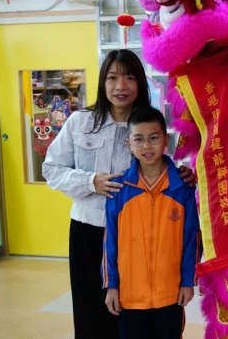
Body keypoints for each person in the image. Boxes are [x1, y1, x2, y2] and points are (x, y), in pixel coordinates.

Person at [43, 50, 195, 338]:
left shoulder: (147, 125)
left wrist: (186, 174)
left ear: (140, 83)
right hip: (88, 230)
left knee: (132, 316)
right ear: (103, 82)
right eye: (112, 78)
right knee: (91, 313)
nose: (120, 86)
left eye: (129, 78)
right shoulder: (80, 122)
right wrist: (90, 181)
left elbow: (163, 165)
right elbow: (51, 169)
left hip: (135, 235)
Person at [102, 107, 200, 339]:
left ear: (166, 139)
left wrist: (188, 281)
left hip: (170, 293)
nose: (147, 146)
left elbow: (192, 241)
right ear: (129, 143)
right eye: (139, 139)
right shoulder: (119, 189)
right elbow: (109, 242)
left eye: (154, 138)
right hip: (130, 294)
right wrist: (112, 285)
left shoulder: (182, 187)